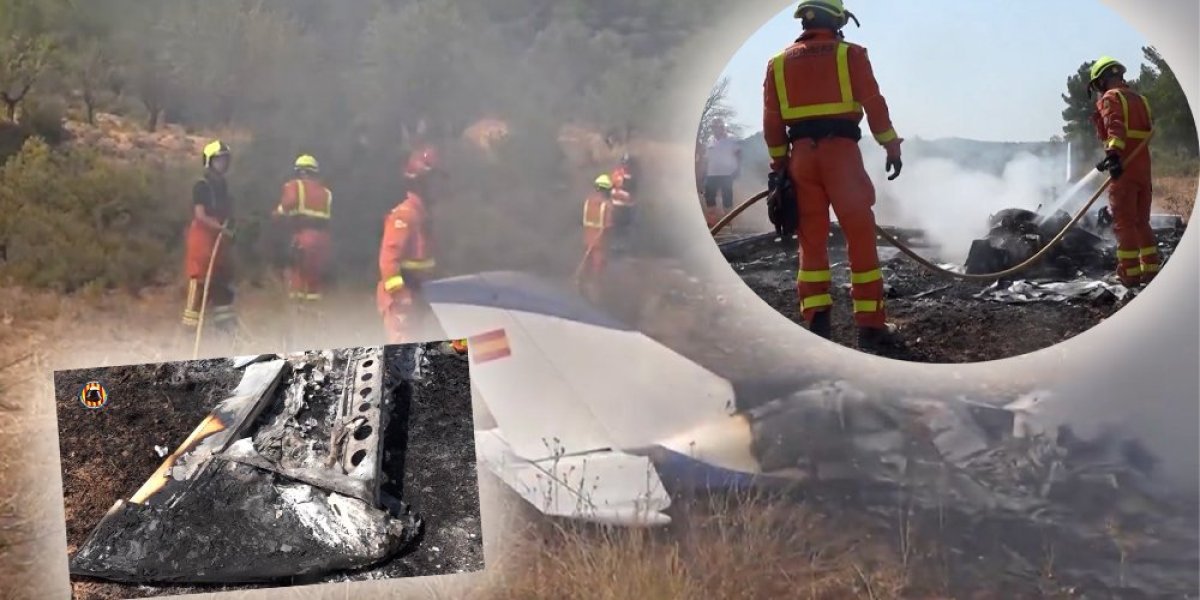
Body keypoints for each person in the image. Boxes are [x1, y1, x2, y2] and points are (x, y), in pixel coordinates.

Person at [762, 0, 904, 352]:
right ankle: (869, 327)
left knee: (811, 238)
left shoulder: (777, 64)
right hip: (840, 154)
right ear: (838, 19)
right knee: (859, 235)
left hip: (801, 159)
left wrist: (779, 168)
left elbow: (772, 123)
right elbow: (875, 105)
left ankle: (817, 320)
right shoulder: (850, 54)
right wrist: (891, 147)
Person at [1088, 55, 1159, 286]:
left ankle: (1129, 273)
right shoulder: (1140, 99)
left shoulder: (1111, 97)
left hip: (1125, 170)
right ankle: (1150, 269)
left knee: (1124, 223)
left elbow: (1115, 128)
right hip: (1142, 170)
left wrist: (1113, 157)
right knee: (1142, 222)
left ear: (1102, 81)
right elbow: (1142, 132)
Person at [377, 147, 441, 343]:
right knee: (405, 358)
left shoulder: (424, 216)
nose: (438, 187)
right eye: (433, 181)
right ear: (421, 183)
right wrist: (401, 297)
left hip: (419, 298)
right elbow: (388, 262)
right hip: (403, 303)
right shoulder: (404, 215)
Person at [182, 140, 237, 334]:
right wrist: (220, 227)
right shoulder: (202, 185)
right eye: (219, 160)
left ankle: (225, 331)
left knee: (221, 282)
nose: (223, 164)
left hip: (219, 240)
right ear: (209, 161)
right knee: (199, 284)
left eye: (225, 160)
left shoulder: (223, 185)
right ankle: (190, 333)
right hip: (202, 240)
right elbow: (200, 215)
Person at [274, 154, 333, 303]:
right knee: (314, 280)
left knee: (297, 278)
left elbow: (287, 205)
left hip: (303, 238)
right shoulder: (326, 193)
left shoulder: (295, 186)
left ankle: (299, 314)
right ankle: (314, 314)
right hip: (323, 242)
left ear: (300, 172)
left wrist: (276, 213)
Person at [580, 174, 617, 295]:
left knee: (586, 267)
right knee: (598, 270)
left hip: (587, 239)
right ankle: (595, 292)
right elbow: (609, 225)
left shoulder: (588, 202)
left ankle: (582, 288)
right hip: (600, 242)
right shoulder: (607, 205)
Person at [701, 119, 742, 225]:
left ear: (723, 127)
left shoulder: (731, 139)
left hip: (727, 173)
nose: (716, 130)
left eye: (718, 127)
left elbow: (738, 154)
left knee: (727, 198)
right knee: (709, 197)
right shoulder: (710, 140)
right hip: (711, 174)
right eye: (713, 127)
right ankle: (712, 223)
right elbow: (706, 159)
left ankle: (729, 222)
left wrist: (738, 169)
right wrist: (703, 173)